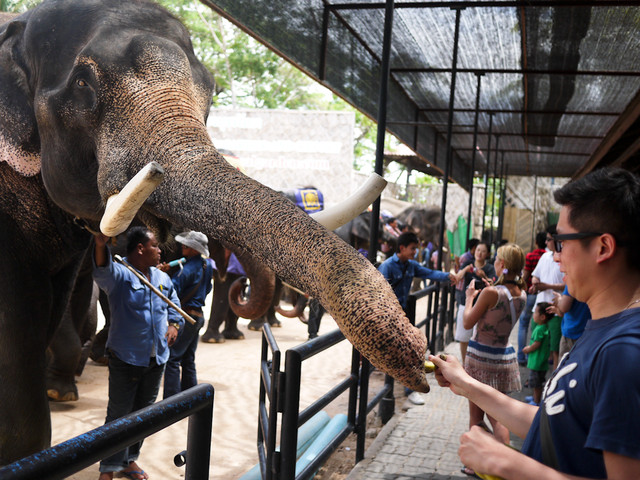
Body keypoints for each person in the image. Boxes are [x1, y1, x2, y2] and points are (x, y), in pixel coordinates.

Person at [429, 167, 640, 479]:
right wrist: (466, 384)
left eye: (560, 242)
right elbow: (554, 423)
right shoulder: (603, 330)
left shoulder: (624, 352)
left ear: (603, 247)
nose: (554, 257)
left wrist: (509, 464)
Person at [93, 227, 184, 480]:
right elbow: (103, 272)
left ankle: (128, 461)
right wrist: (101, 245)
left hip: (157, 359)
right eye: (155, 245)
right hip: (126, 357)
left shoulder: (163, 279)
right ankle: (109, 468)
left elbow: (174, 310)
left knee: (143, 416)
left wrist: (174, 326)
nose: (160, 251)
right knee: (118, 415)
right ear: (141, 248)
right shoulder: (121, 275)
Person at [459, 243, 526, 476]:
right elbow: (501, 305)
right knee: (498, 416)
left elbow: (468, 322)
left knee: (476, 416)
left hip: (480, 358)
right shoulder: (522, 294)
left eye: (497, 258)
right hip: (504, 358)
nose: (495, 261)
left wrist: (470, 298)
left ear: (503, 264)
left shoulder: (490, 293)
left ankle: (476, 463)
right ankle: (502, 462)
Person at [378, 231, 460, 405]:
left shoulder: (411, 265)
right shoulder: (387, 266)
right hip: (388, 317)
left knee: (411, 351)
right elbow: (379, 294)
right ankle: (384, 391)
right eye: (413, 248)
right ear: (402, 248)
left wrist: (447, 276)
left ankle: (410, 390)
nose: (415, 252)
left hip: (404, 316)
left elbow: (429, 273)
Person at [162, 231, 213, 399]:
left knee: (173, 359)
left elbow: (171, 290)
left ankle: (171, 402)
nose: (183, 246)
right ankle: (192, 399)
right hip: (198, 316)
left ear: (195, 249)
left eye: (188, 245)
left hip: (186, 316)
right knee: (188, 359)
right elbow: (208, 289)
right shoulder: (207, 266)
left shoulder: (187, 270)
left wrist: (162, 274)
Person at [530, 225, 565, 370]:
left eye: (549, 239)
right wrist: (535, 283)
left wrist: (548, 286)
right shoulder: (544, 256)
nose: (546, 242)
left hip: (556, 309)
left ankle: (554, 380)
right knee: (537, 344)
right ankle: (536, 377)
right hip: (539, 307)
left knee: (555, 347)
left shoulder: (564, 258)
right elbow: (535, 275)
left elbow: (567, 286)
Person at [455, 241, 495, 363]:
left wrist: (484, 276)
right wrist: (466, 269)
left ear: (487, 254)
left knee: (479, 337)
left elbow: (493, 284)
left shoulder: (489, 268)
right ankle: (464, 363)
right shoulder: (468, 264)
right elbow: (458, 277)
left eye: (483, 251)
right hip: (465, 302)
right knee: (464, 337)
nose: (480, 253)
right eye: (478, 250)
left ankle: (475, 363)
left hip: (482, 306)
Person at [517, 232, 547, 365]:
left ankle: (521, 356)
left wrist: (519, 288)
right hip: (543, 295)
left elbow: (526, 275)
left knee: (523, 324)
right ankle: (531, 356)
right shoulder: (548, 256)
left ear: (536, 242)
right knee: (535, 326)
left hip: (529, 294)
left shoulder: (531, 256)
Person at [522, 302, 553, 406]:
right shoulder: (543, 327)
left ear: (543, 317)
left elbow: (537, 344)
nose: (533, 315)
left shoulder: (540, 329)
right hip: (540, 361)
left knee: (537, 383)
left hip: (537, 362)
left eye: (535, 312)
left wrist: (528, 349)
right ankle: (535, 397)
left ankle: (536, 401)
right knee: (536, 382)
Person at [550, 286, 591, 359]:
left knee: (565, 366)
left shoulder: (573, 279)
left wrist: (559, 299)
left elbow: (564, 307)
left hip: (572, 333)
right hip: (589, 333)